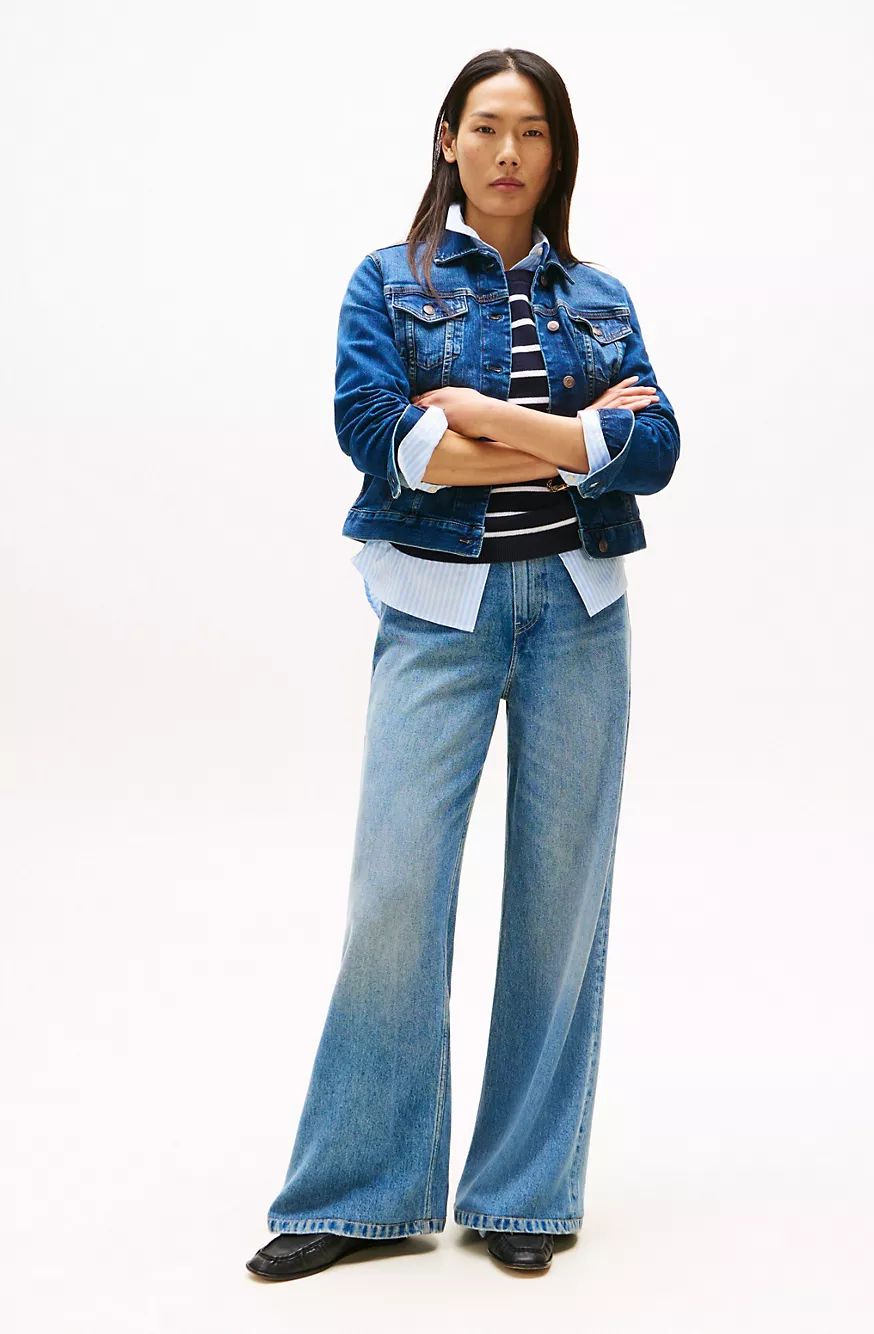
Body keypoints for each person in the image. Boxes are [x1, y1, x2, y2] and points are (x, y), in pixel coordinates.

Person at [247, 45, 680, 1280]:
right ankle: (361, 1191)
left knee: (560, 898)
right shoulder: (388, 282)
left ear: (556, 152)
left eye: (532, 131)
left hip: (579, 613)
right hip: (438, 612)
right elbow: (379, 435)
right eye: (486, 126)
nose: (507, 152)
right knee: (396, 889)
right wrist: (571, 438)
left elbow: (654, 449)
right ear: (448, 139)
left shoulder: (598, 294)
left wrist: (480, 419)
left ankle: (524, 1190)